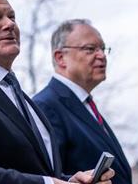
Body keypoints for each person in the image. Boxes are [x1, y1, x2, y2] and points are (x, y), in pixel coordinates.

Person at [0, 0, 114, 184]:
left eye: (12, 17)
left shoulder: (22, 98)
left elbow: (38, 171)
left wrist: (70, 181)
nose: (10, 24)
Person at [33, 19, 132, 184]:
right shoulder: (45, 106)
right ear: (60, 58)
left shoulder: (86, 105)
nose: (101, 55)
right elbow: (46, 175)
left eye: (102, 48)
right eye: (90, 49)